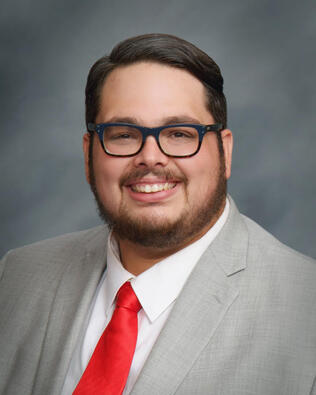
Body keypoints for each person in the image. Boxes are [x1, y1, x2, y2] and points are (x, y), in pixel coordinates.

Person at [0, 33, 315, 395]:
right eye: (122, 134)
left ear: (225, 152)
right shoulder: (16, 277)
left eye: (180, 133)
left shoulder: (307, 311)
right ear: (89, 154)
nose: (150, 157)